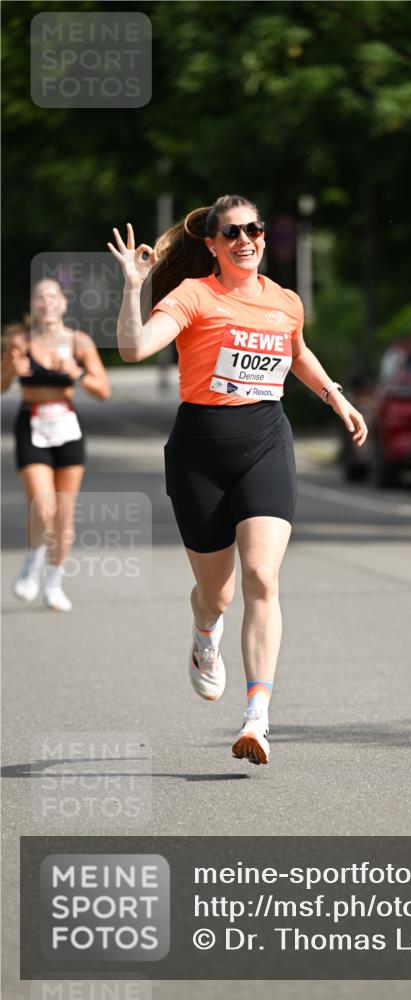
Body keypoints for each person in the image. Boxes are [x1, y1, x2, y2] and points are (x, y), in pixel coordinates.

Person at [108, 194, 367, 765]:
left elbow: (296, 352)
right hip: (200, 451)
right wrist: (134, 286)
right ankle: (205, 634)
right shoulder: (193, 295)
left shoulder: (285, 301)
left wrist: (335, 398)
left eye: (253, 230)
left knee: (262, 578)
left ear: (263, 237)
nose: (245, 240)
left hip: (266, 444)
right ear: (213, 244)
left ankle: (257, 717)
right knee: (217, 594)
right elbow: (132, 349)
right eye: (232, 233)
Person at [1, 278, 111, 611]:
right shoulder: (20, 342)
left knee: (63, 514)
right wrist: (11, 368)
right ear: (33, 305)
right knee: (43, 506)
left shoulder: (79, 343)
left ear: (63, 303)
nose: (46, 302)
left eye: (52, 296)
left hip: (66, 426)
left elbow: (102, 390)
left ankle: (54, 582)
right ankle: (33, 563)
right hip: (31, 423)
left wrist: (77, 373)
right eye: (40, 297)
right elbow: (1, 385)